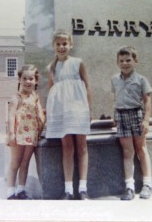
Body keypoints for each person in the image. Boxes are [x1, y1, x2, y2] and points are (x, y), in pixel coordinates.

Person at [45, 29, 93, 200]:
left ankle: (82, 188)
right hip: (62, 111)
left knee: (82, 146)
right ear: (53, 46)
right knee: (67, 147)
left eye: (65, 43)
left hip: (78, 108)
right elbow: (51, 91)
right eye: (58, 44)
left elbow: (87, 86)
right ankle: (68, 190)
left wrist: (89, 109)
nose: (61, 47)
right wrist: (50, 114)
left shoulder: (78, 63)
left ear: (70, 45)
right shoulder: (51, 67)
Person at [111, 46, 152, 200]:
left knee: (141, 149)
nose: (125, 63)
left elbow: (147, 101)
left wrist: (146, 120)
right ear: (117, 62)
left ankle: (147, 184)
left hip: (137, 114)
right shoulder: (115, 79)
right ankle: (129, 186)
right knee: (128, 152)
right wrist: (115, 114)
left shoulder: (141, 80)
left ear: (135, 61)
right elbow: (116, 98)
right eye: (121, 61)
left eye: (128, 60)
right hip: (121, 116)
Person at [6, 64, 45, 200]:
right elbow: (11, 116)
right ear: (19, 80)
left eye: (31, 79)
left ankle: (21, 189)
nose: (28, 82)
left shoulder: (35, 97)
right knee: (15, 162)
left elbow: (40, 114)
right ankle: (11, 192)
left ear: (36, 81)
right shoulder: (16, 97)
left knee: (25, 162)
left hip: (31, 135)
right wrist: (11, 133)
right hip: (19, 134)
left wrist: (41, 128)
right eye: (25, 78)